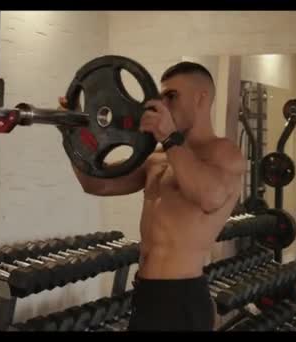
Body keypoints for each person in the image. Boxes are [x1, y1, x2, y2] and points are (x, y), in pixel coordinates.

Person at [58, 61, 246, 331]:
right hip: (146, 296)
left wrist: (169, 137)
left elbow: (210, 198)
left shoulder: (224, 154)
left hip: (182, 299)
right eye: (161, 97)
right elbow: (96, 184)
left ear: (201, 98)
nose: (163, 105)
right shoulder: (158, 158)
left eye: (172, 96)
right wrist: (72, 135)